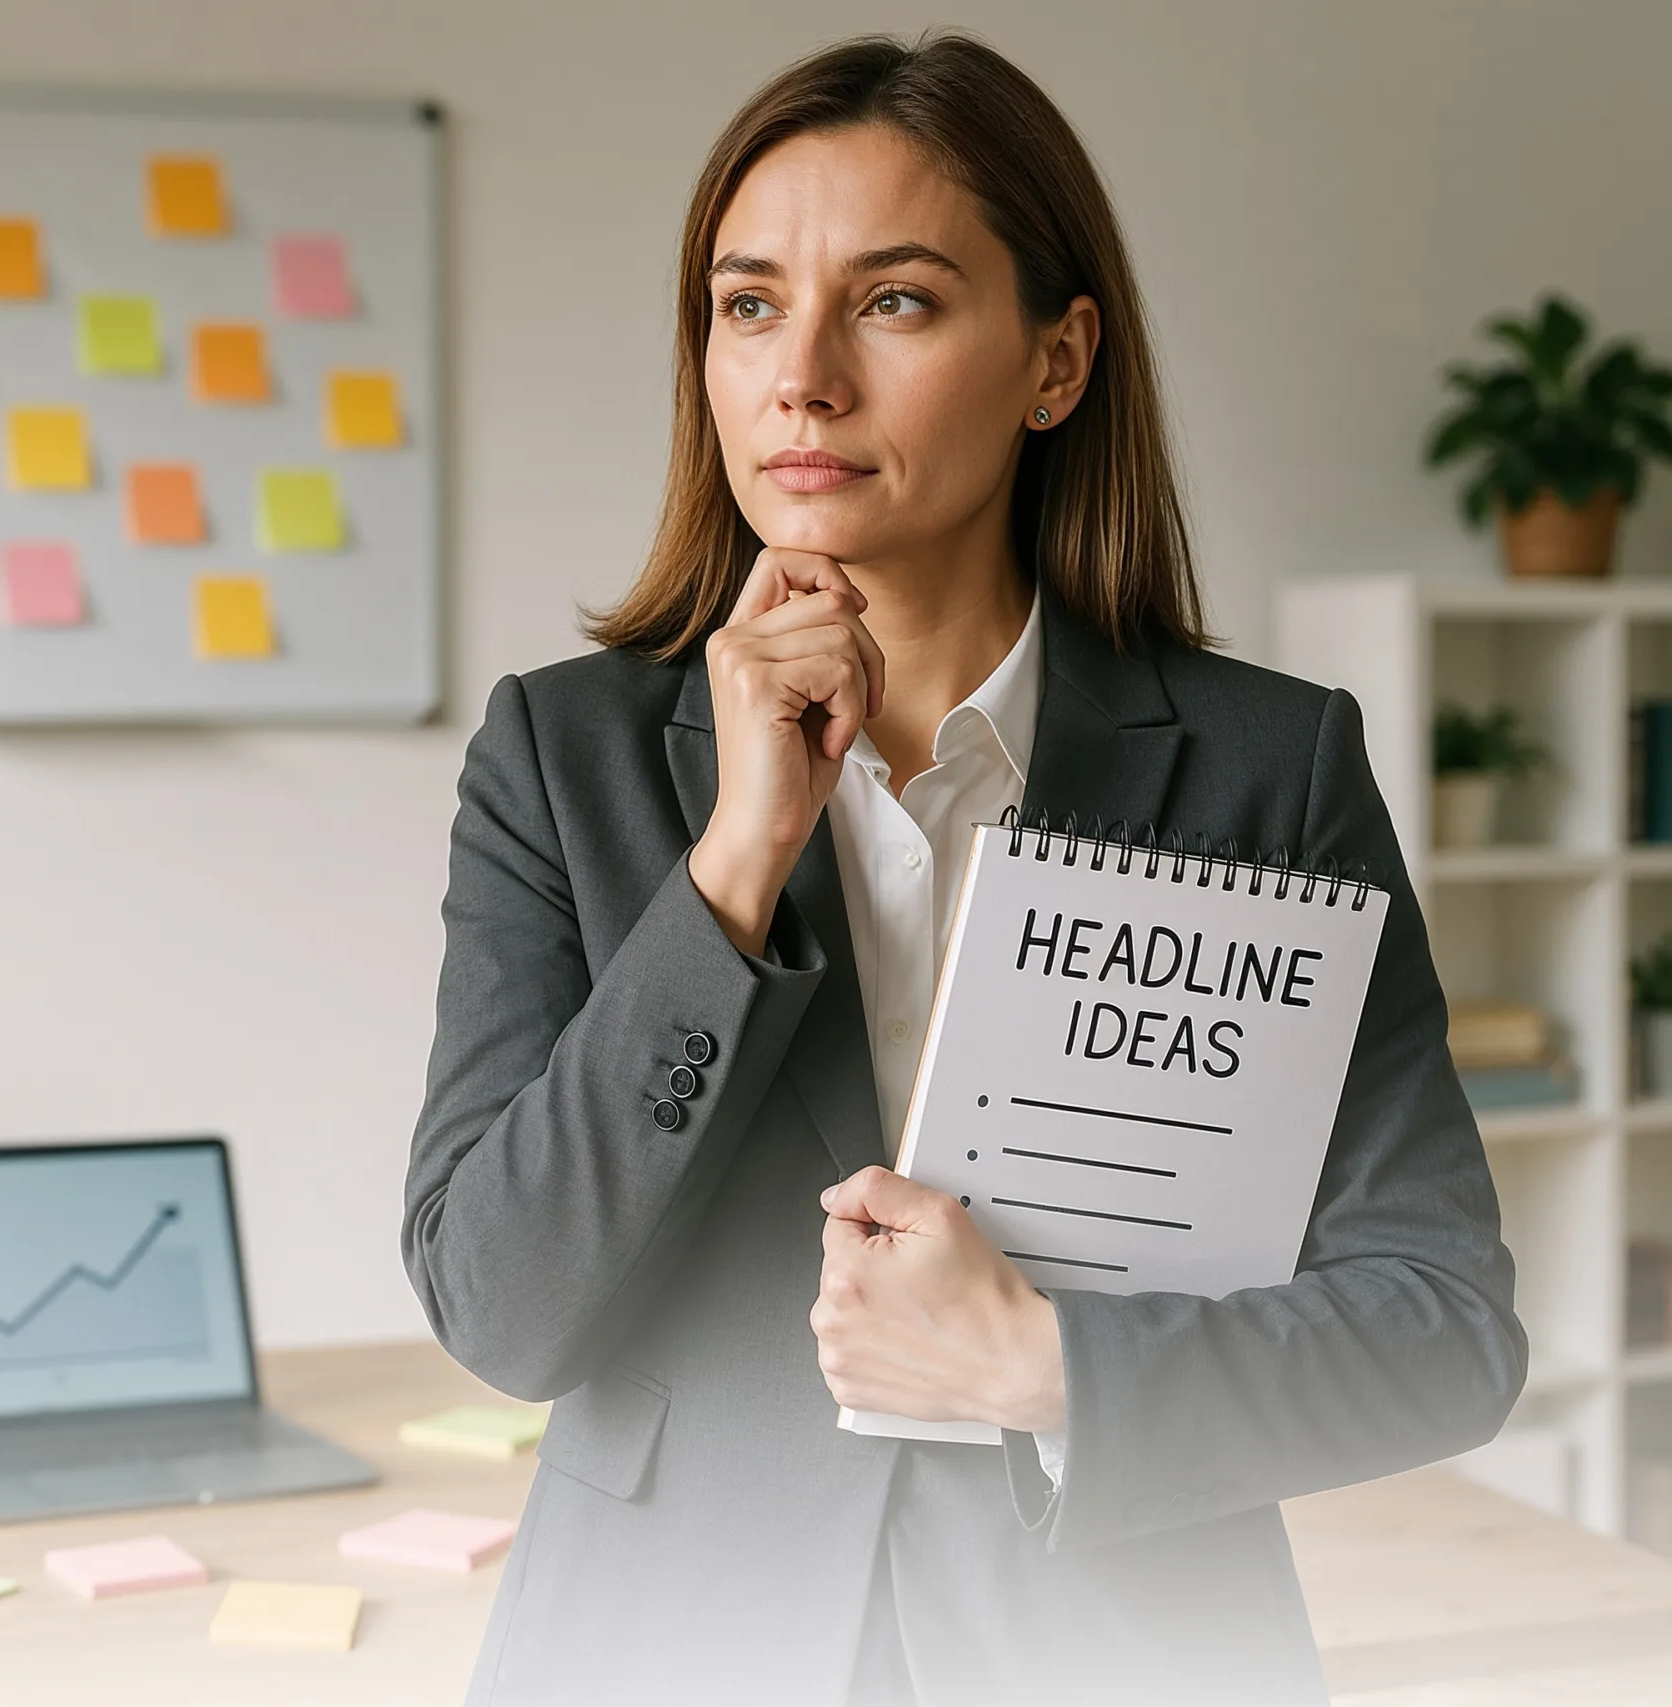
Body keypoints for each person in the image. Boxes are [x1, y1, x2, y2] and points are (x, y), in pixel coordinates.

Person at [404, 31, 1524, 1707]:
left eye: (897, 301)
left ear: (1056, 361)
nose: (803, 377)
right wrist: (734, 865)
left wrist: (1050, 1364)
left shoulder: (1270, 769)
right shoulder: (562, 759)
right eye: (749, 304)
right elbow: (502, 1308)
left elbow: (1442, 1327)